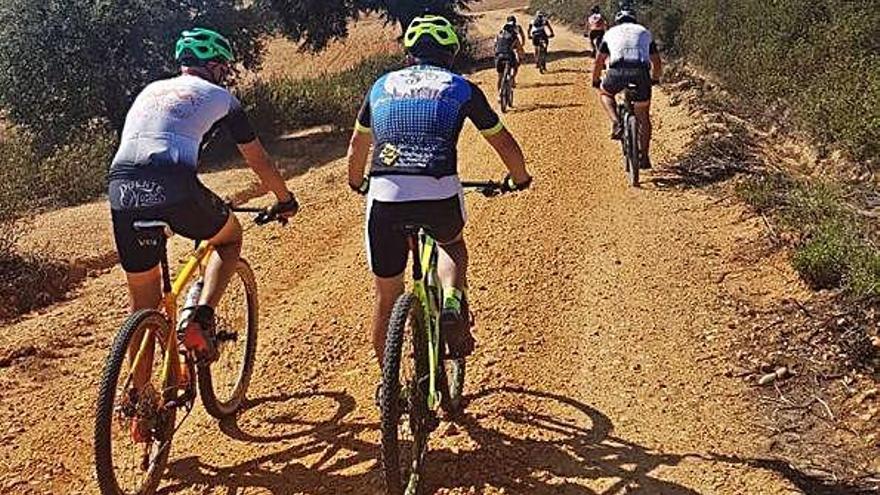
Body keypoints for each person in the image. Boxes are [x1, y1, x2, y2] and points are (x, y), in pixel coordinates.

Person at [346, 15, 532, 371]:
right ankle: (450, 303)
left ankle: (390, 386)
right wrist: (518, 178)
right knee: (451, 245)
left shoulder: (380, 85)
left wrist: (357, 183)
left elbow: (357, 144)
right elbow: (502, 141)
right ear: (450, 54)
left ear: (409, 54)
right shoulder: (460, 87)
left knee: (386, 299)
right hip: (439, 192)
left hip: (385, 195)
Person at [109, 28, 299, 364]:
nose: (225, 74)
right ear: (211, 67)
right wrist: (284, 199)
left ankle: (140, 404)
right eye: (223, 67)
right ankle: (201, 318)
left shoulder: (149, 90)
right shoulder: (221, 98)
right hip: (174, 184)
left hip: (121, 187)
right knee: (229, 238)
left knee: (143, 306)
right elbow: (258, 160)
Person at [591, 10, 662, 169]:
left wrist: (595, 80)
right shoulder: (644, 32)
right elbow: (656, 61)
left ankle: (616, 122)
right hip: (640, 73)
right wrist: (655, 78)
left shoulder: (610, 33)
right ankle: (644, 157)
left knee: (606, 93)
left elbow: (599, 61)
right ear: (634, 20)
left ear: (617, 21)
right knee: (643, 116)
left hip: (617, 72)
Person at [495, 20, 526, 94]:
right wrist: (522, 57)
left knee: (500, 77)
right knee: (515, 67)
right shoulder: (514, 37)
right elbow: (519, 49)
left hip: (499, 56)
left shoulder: (498, 36)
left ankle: (499, 94)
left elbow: (495, 47)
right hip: (509, 56)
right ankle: (512, 78)